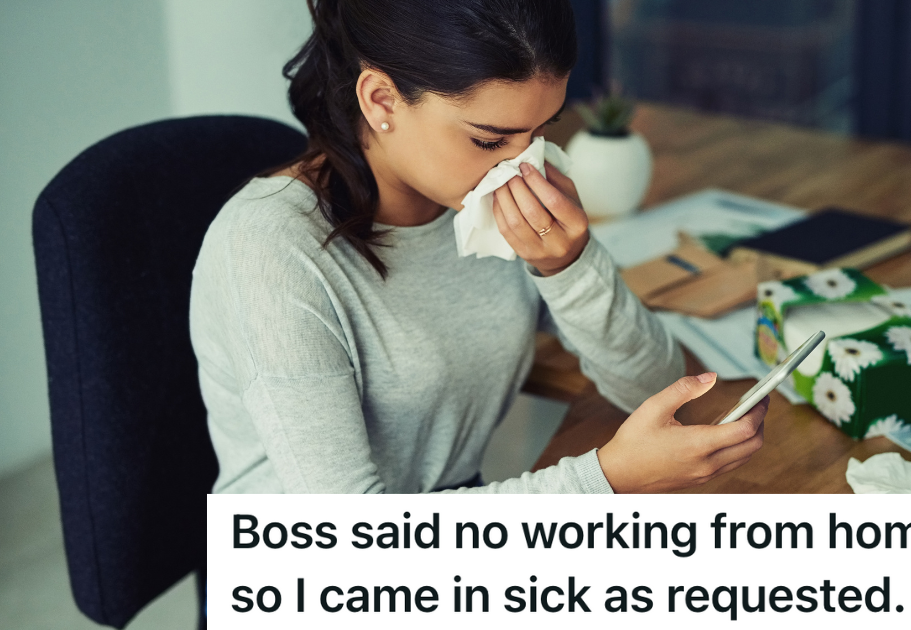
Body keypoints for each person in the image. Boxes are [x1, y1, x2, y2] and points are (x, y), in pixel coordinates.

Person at [189, 0, 766, 495]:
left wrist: (568, 266)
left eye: (540, 131)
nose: (522, 166)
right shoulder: (269, 250)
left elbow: (654, 388)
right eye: (490, 140)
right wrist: (604, 480)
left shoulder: (486, 202)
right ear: (382, 100)